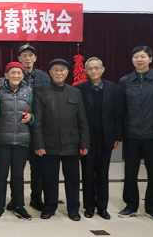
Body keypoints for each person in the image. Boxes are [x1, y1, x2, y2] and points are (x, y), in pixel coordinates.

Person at [119, 45, 153, 223]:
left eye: (143, 56)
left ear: (150, 59)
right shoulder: (125, 81)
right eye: (136, 56)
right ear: (132, 60)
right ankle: (130, 205)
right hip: (131, 134)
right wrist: (120, 133)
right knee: (130, 172)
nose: (139, 59)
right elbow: (121, 110)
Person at [32, 59, 90, 221]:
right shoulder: (41, 92)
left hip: (72, 143)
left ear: (67, 73)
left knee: (73, 179)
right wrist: (39, 144)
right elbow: (37, 122)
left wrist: (84, 143)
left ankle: (73, 209)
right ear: (50, 73)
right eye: (55, 70)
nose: (59, 73)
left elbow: (82, 120)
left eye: (62, 70)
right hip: (48, 144)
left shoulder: (75, 92)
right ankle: (49, 207)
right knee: (49, 179)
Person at [75, 57, 123, 220]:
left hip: (105, 138)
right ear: (85, 71)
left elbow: (119, 114)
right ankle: (89, 207)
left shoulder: (114, 88)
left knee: (103, 174)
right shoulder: (79, 89)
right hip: (87, 139)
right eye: (90, 68)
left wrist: (118, 135)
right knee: (87, 173)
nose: (93, 71)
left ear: (103, 69)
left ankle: (102, 207)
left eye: (97, 68)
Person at [0, 62, 34, 221]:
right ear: (6, 75)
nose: (16, 76)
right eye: (12, 73)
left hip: (21, 140)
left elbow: (33, 114)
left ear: (22, 75)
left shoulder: (28, 91)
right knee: (0, 176)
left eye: (19, 73)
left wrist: (31, 117)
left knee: (18, 176)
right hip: (2, 140)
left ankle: (19, 206)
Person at [17, 43, 50, 212]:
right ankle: (16, 199)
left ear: (35, 58)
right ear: (19, 59)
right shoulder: (15, 74)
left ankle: (36, 198)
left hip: (39, 128)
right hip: (18, 126)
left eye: (31, 55)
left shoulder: (44, 77)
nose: (28, 58)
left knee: (38, 167)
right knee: (17, 167)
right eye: (24, 55)